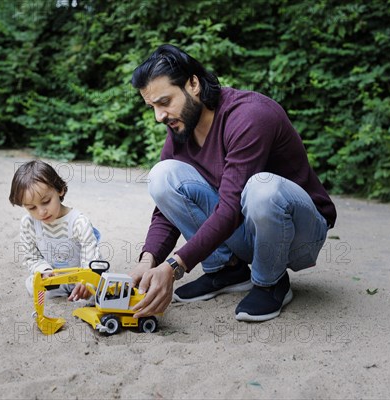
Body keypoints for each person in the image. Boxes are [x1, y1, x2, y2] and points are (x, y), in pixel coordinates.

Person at [128, 44, 337, 322]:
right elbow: (166, 209)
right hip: (245, 229)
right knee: (162, 175)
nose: (159, 116)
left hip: (299, 235)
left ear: (193, 84)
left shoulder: (250, 116)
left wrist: (174, 267)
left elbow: (229, 209)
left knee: (261, 187)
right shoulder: (182, 126)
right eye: (152, 106)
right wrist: (149, 260)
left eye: (164, 102)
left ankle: (270, 282)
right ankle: (227, 270)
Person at [9, 160, 101, 301]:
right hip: (55, 279)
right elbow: (32, 257)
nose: (41, 212)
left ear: (59, 190)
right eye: (31, 208)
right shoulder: (29, 223)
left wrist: (86, 280)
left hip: (82, 276)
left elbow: (92, 257)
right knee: (32, 285)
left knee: (97, 295)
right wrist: (44, 271)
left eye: (46, 201)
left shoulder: (78, 222)